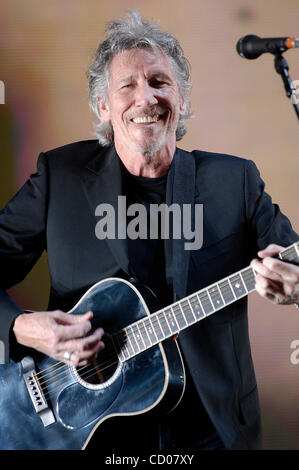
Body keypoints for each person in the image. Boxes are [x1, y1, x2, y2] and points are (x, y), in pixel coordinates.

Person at [0, 10, 298, 451]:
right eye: (128, 85)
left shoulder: (233, 182)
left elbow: (292, 258)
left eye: (160, 82)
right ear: (104, 106)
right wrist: (21, 327)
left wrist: (295, 287)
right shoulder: (59, 176)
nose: (146, 98)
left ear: (181, 99)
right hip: (82, 429)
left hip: (210, 430)